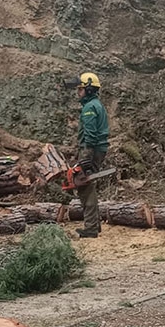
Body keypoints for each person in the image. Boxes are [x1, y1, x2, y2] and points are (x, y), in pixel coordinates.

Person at [74, 72, 109, 238]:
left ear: (88, 90)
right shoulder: (96, 104)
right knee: (88, 185)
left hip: (91, 150)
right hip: (97, 150)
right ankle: (95, 224)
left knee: (85, 186)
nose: (78, 92)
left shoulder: (89, 108)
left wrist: (86, 157)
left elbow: (90, 134)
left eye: (80, 89)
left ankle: (91, 228)